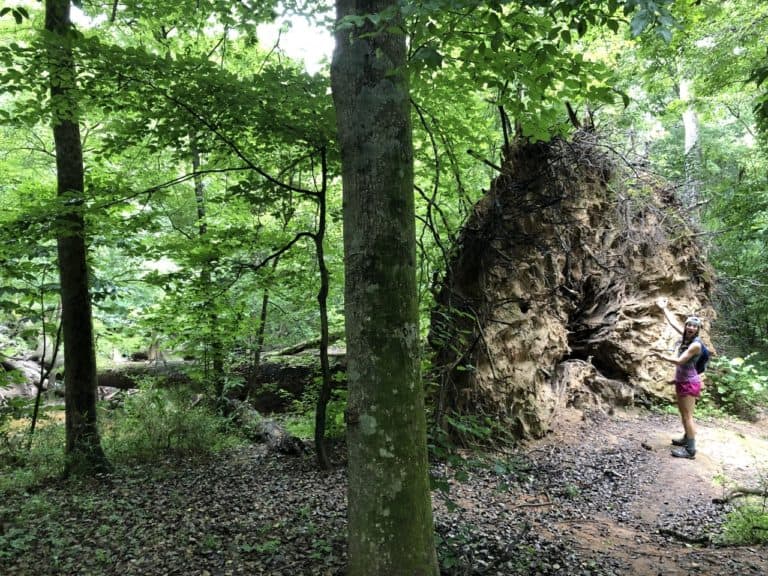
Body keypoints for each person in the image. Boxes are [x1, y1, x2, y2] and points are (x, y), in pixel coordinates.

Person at [650, 297, 703, 459]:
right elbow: (674, 324)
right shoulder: (686, 338)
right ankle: (686, 438)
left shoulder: (695, 345)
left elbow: (680, 361)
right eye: (688, 324)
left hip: (689, 383)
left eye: (694, 326)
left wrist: (660, 355)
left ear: (698, 329)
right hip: (683, 381)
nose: (690, 327)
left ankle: (691, 450)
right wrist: (664, 309)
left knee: (687, 416)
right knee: (684, 414)